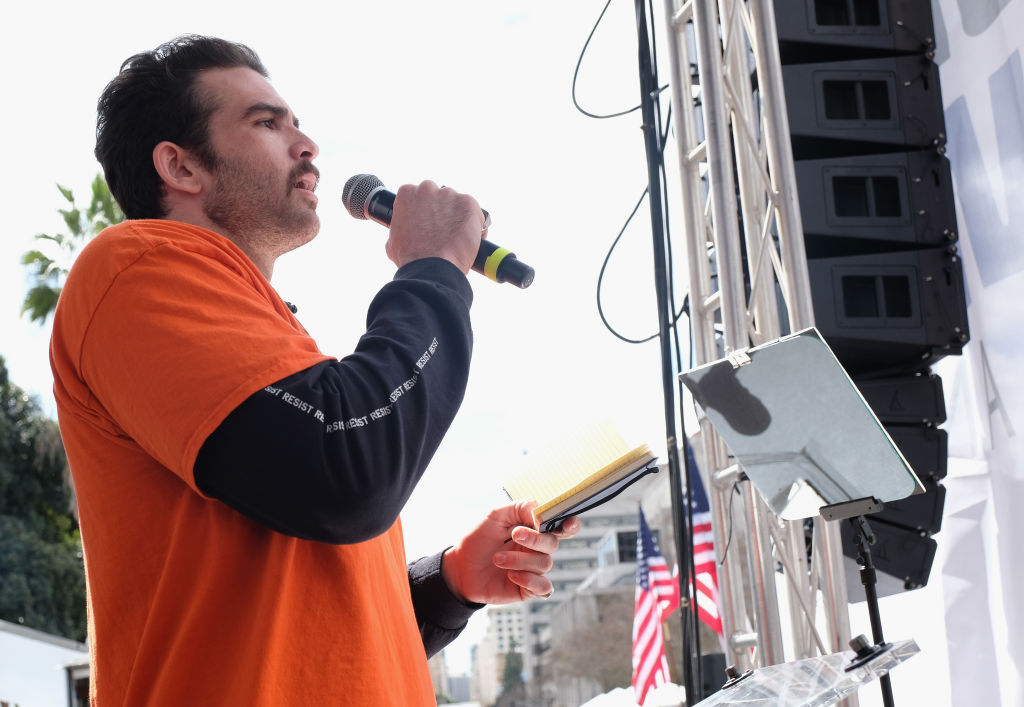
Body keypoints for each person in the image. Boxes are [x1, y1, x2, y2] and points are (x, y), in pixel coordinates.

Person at [50, 34, 578, 705]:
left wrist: (450, 583)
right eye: (266, 123)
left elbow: (311, 637)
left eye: (296, 123)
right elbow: (348, 471)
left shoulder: (276, 352)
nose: (307, 145)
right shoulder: (134, 268)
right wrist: (433, 269)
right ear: (181, 166)